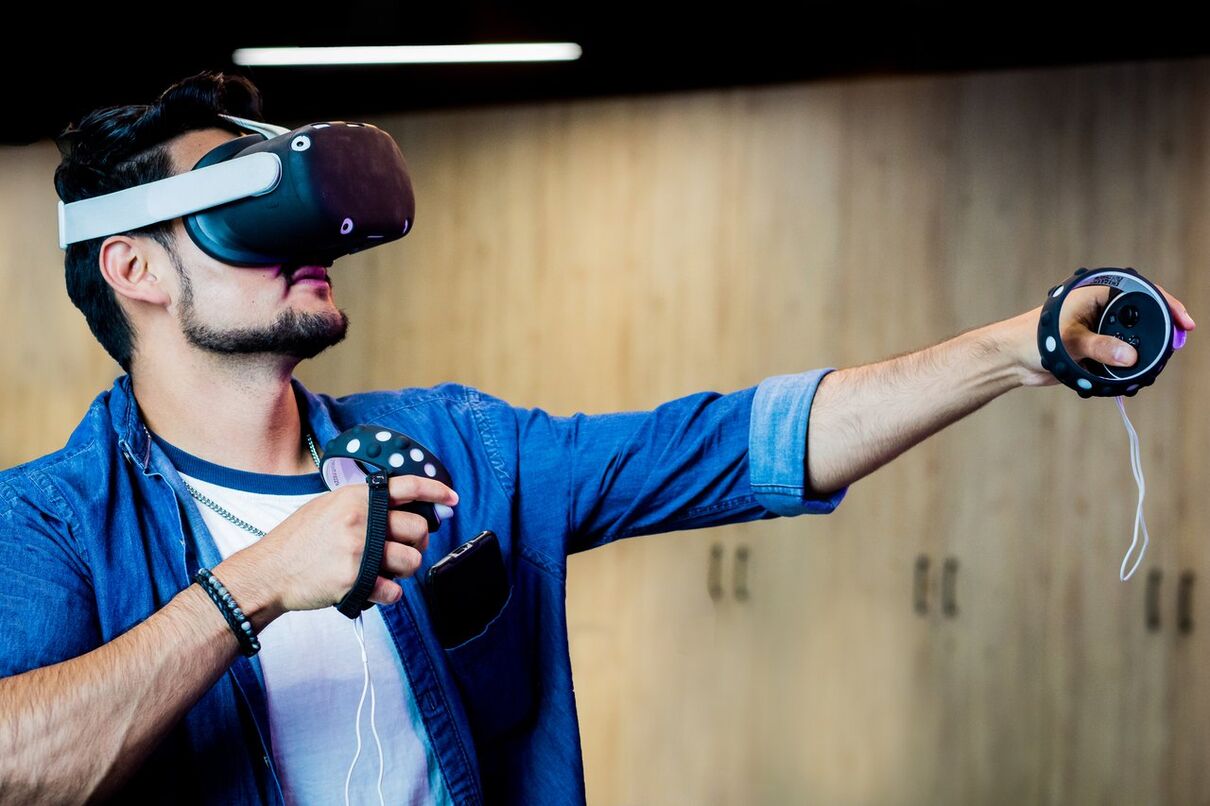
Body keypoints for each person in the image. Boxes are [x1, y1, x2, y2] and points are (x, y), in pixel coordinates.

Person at [0, 69, 1196, 805]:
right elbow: (22, 763)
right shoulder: (50, 519)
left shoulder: (464, 446)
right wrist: (261, 580)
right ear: (135, 268)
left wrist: (1019, 345)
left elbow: (737, 445)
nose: (305, 228)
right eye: (238, 205)